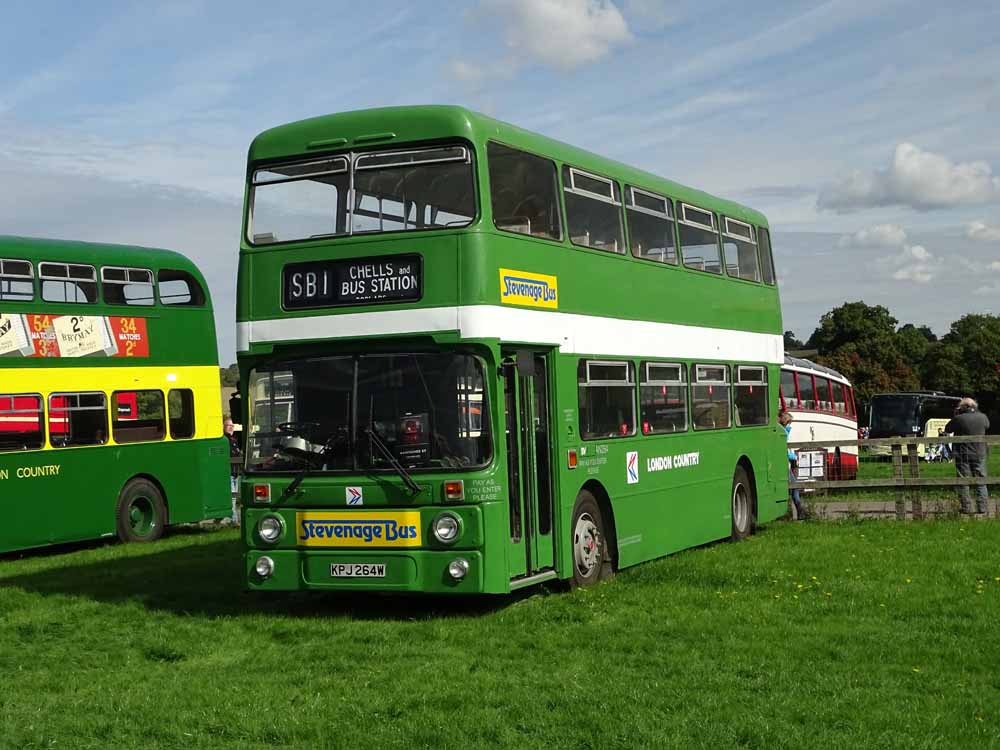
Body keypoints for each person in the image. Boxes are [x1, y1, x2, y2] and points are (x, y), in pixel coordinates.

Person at [944, 397, 990, 515]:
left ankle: (966, 508)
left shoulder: (959, 418)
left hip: (963, 453)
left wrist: (955, 414)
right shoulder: (983, 417)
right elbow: (987, 426)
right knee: (981, 479)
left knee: (964, 480)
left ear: (964, 407)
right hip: (980, 452)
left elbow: (948, 429)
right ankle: (983, 507)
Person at [779, 410, 804, 520]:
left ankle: (798, 512)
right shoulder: (783, 433)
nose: (790, 426)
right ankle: (799, 511)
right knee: (794, 486)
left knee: (794, 486)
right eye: (789, 423)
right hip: (785, 463)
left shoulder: (785, 432)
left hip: (790, 462)